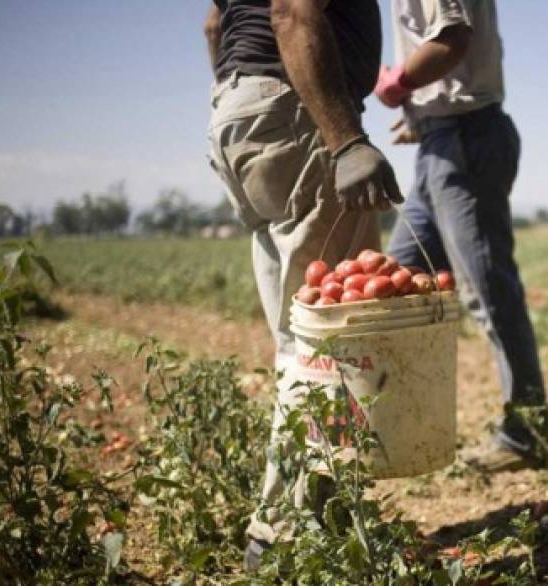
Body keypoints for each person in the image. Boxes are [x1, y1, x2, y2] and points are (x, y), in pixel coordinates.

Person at [203, 0, 402, 569]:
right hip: (295, 108)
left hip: (241, 111)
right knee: (329, 342)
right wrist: (345, 139)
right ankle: (286, 537)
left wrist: (243, 102)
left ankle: (311, 518)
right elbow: (292, 10)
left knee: (300, 338)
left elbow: (215, 24)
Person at [375, 0, 547, 472]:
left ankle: (528, 433)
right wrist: (424, 116)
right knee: (398, 285)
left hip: (465, 139)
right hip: (441, 141)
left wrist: (397, 85)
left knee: (488, 291)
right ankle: (404, 426)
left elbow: (451, 39)